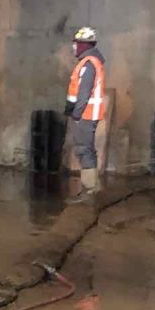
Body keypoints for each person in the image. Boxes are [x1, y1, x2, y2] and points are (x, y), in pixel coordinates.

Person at [64, 27, 106, 200]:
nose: (74, 47)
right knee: (87, 150)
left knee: (84, 151)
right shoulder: (90, 61)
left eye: (76, 43)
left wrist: (76, 114)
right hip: (86, 114)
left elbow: (83, 93)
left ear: (83, 44)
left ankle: (89, 191)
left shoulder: (88, 64)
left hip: (85, 115)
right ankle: (93, 188)